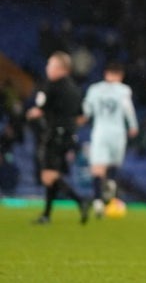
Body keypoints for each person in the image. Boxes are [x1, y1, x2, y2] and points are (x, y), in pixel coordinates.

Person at [27, 51, 90, 225]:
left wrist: (31, 114)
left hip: (54, 133)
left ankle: (79, 200)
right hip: (69, 135)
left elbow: (39, 109)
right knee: (53, 174)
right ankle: (46, 215)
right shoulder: (76, 89)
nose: (47, 68)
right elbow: (82, 117)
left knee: (48, 175)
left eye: (50, 64)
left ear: (60, 68)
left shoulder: (51, 86)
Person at [80, 60, 139, 218]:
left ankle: (98, 201)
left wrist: (81, 118)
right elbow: (128, 108)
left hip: (100, 131)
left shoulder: (95, 89)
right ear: (120, 75)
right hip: (117, 132)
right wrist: (133, 126)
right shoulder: (124, 90)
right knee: (113, 164)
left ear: (106, 74)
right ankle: (111, 183)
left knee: (97, 168)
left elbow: (86, 110)